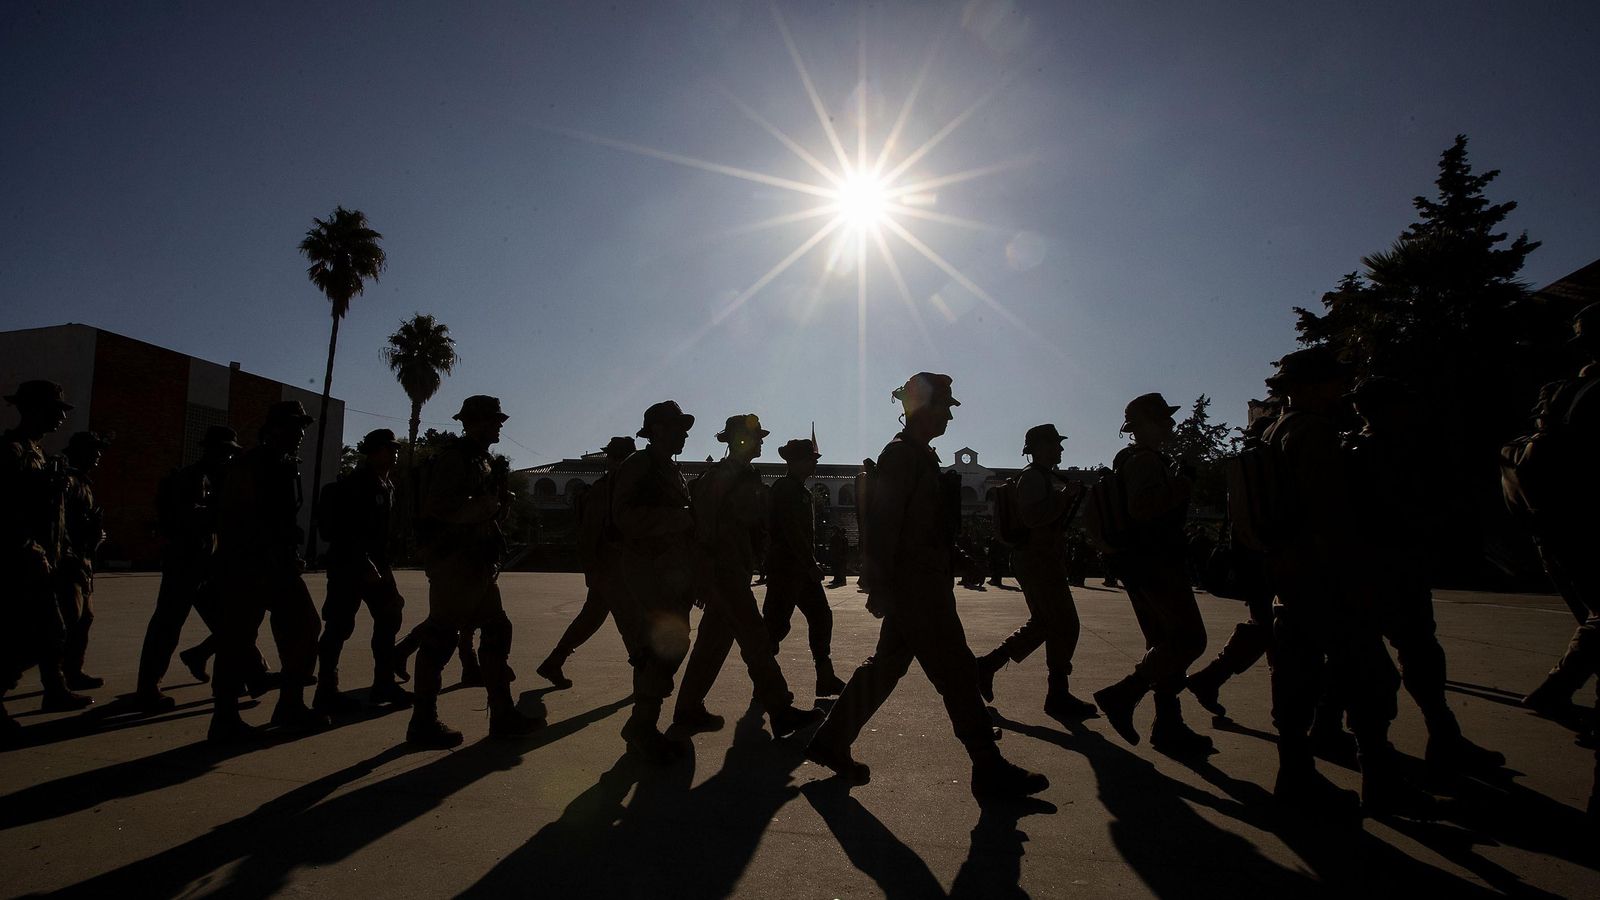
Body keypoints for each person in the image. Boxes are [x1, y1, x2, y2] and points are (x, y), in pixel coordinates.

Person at [805, 373, 1049, 802]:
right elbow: (883, 524)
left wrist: (954, 556)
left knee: (886, 667)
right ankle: (988, 768)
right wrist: (878, 583)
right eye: (944, 407)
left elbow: (924, 525)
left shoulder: (920, 457)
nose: (949, 416)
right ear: (922, 409)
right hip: (915, 587)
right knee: (955, 672)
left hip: (924, 581)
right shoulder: (901, 457)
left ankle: (831, 740)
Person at [1255, 347, 1431, 817]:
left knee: (1297, 682)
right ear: (1312, 386)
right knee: (1372, 679)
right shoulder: (1313, 433)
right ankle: (1379, 781)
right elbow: (1328, 513)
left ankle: (1295, 778)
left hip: (1290, 576)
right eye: (1333, 381)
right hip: (1326, 577)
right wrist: (1355, 578)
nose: (1341, 390)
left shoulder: (1275, 431)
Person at [1343, 376, 1503, 772]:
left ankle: (1424, 739)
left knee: (1370, 659)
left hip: (1368, 568)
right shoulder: (1390, 451)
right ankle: (1431, 742)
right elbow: (1406, 511)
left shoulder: (1352, 449)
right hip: (1392, 566)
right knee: (1415, 653)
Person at [406, 396, 541, 747]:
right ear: (474, 423)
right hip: (455, 560)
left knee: (497, 629)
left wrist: (497, 505)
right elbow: (439, 506)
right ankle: (423, 719)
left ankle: (502, 713)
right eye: (493, 420)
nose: (499, 425)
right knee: (440, 636)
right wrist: (484, 506)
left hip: (475, 561)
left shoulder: (481, 460)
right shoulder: (456, 458)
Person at [674, 415, 818, 736]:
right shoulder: (720, 478)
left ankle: (687, 708)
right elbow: (705, 530)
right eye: (757, 437)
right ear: (740, 440)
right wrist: (704, 576)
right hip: (723, 574)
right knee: (757, 641)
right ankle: (780, 709)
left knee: (712, 643)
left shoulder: (747, 477)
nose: (762, 442)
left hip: (734, 571)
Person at [1092, 395, 1214, 756]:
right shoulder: (1145, 462)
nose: (1169, 425)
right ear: (1142, 425)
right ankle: (1125, 693)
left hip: (1140, 564)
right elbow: (1143, 508)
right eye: (1162, 420)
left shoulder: (1132, 461)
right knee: (1189, 640)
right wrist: (1184, 483)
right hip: (1156, 562)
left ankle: (1168, 725)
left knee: (1164, 642)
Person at [208, 401, 326, 742]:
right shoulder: (251, 465)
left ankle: (290, 703)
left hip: (279, 565)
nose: (301, 433)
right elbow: (236, 518)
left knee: (305, 627)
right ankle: (224, 717)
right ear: (273, 429)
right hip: (247, 564)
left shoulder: (286, 465)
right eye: (293, 426)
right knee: (237, 640)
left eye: (302, 426)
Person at [975, 424, 1097, 723]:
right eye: (1056, 444)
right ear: (1040, 448)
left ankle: (990, 666)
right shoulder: (1032, 478)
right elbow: (1033, 517)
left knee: (1046, 624)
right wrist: (1065, 497)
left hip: (1041, 559)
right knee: (1064, 623)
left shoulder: (1041, 477)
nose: (1061, 449)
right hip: (1036, 559)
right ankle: (1056, 694)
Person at [1519, 304, 1600, 722]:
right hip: (1586, 526)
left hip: (1555, 529)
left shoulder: (1560, 397)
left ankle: (1556, 689)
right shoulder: (1590, 398)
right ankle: (1556, 689)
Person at [2, 380, 90, 741]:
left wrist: (65, 551)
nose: (60, 417)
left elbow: (53, 514)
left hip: (46, 557)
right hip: (18, 559)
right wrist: (26, 547)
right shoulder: (11, 452)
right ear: (33, 410)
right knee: (29, 635)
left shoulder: (40, 454)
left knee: (53, 631)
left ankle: (54, 689)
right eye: (55, 410)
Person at [610, 400, 698, 762]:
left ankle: (643, 725)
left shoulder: (668, 468)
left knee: (661, 649)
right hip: (646, 568)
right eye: (677, 427)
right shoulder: (640, 465)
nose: (684, 434)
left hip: (670, 571)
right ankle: (642, 726)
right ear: (658, 430)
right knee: (663, 647)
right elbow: (624, 516)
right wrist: (679, 519)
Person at [1185, 398, 1281, 717]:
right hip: (1272, 558)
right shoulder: (1268, 464)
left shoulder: (1244, 464)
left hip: (1254, 557)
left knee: (1269, 628)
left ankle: (1212, 678)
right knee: (1278, 632)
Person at [135, 425, 241, 710]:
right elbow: (182, 517)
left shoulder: (220, 479)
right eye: (223, 451)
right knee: (168, 623)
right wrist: (219, 510)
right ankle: (147, 687)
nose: (227, 457)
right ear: (208, 449)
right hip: (184, 559)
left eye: (230, 453)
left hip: (209, 562)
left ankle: (214, 661)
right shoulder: (189, 478)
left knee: (232, 623)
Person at [314, 428, 412, 713]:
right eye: (389, 449)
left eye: (394, 449)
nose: (394, 454)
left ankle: (383, 682)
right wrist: (363, 562)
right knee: (338, 626)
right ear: (374, 452)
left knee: (389, 618)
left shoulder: (385, 484)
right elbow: (347, 530)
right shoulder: (356, 484)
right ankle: (326, 691)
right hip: (350, 565)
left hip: (378, 564)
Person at [536, 436, 635, 687]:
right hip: (609, 568)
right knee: (631, 622)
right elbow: (590, 533)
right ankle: (644, 678)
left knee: (592, 618)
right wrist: (592, 568)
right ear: (612, 460)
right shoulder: (605, 490)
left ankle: (554, 662)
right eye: (620, 458)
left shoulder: (620, 487)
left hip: (617, 567)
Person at [762, 438, 846, 697]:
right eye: (810, 459)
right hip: (786, 568)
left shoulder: (800, 490)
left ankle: (825, 676)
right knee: (775, 627)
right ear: (796, 462)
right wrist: (810, 563)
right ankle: (763, 683)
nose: (814, 463)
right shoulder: (785, 489)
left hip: (798, 568)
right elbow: (791, 532)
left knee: (821, 617)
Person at [57, 430, 112, 691]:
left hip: (84, 557)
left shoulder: (83, 481)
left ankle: (72, 670)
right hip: (69, 559)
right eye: (95, 451)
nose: (99, 456)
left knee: (84, 617)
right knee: (68, 619)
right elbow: (59, 522)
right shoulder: (67, 481)